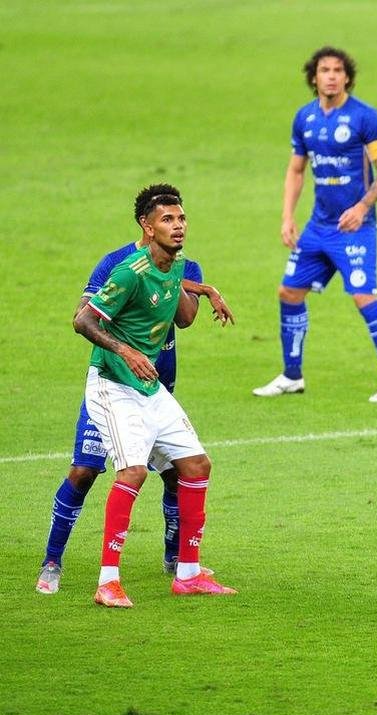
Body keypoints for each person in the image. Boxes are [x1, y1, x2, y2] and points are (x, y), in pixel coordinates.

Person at [37, 184, 233, 595]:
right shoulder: (123, 268)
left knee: (195, 466)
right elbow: (82, 319)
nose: (178, 226)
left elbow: (183, 310)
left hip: (151, 385)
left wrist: (208, 290)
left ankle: (186, 572)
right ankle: (95, 577)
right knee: (102, 470)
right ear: (146, 226)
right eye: (168, 220)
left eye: (181, 219)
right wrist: (125, 350)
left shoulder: (177, 264)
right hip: (113, 383)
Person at [253, 45, 377, 403]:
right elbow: (296, 170)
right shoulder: (304, 118)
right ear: (314, 77)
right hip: (318, 227)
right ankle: (292, 375)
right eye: (325, 70)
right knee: (289, 292)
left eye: (338, 70)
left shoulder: (367, 117)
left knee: (363, 296)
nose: (332, 76)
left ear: (347, 76)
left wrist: (362, 207)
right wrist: (287, 216)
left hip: (356, 227)